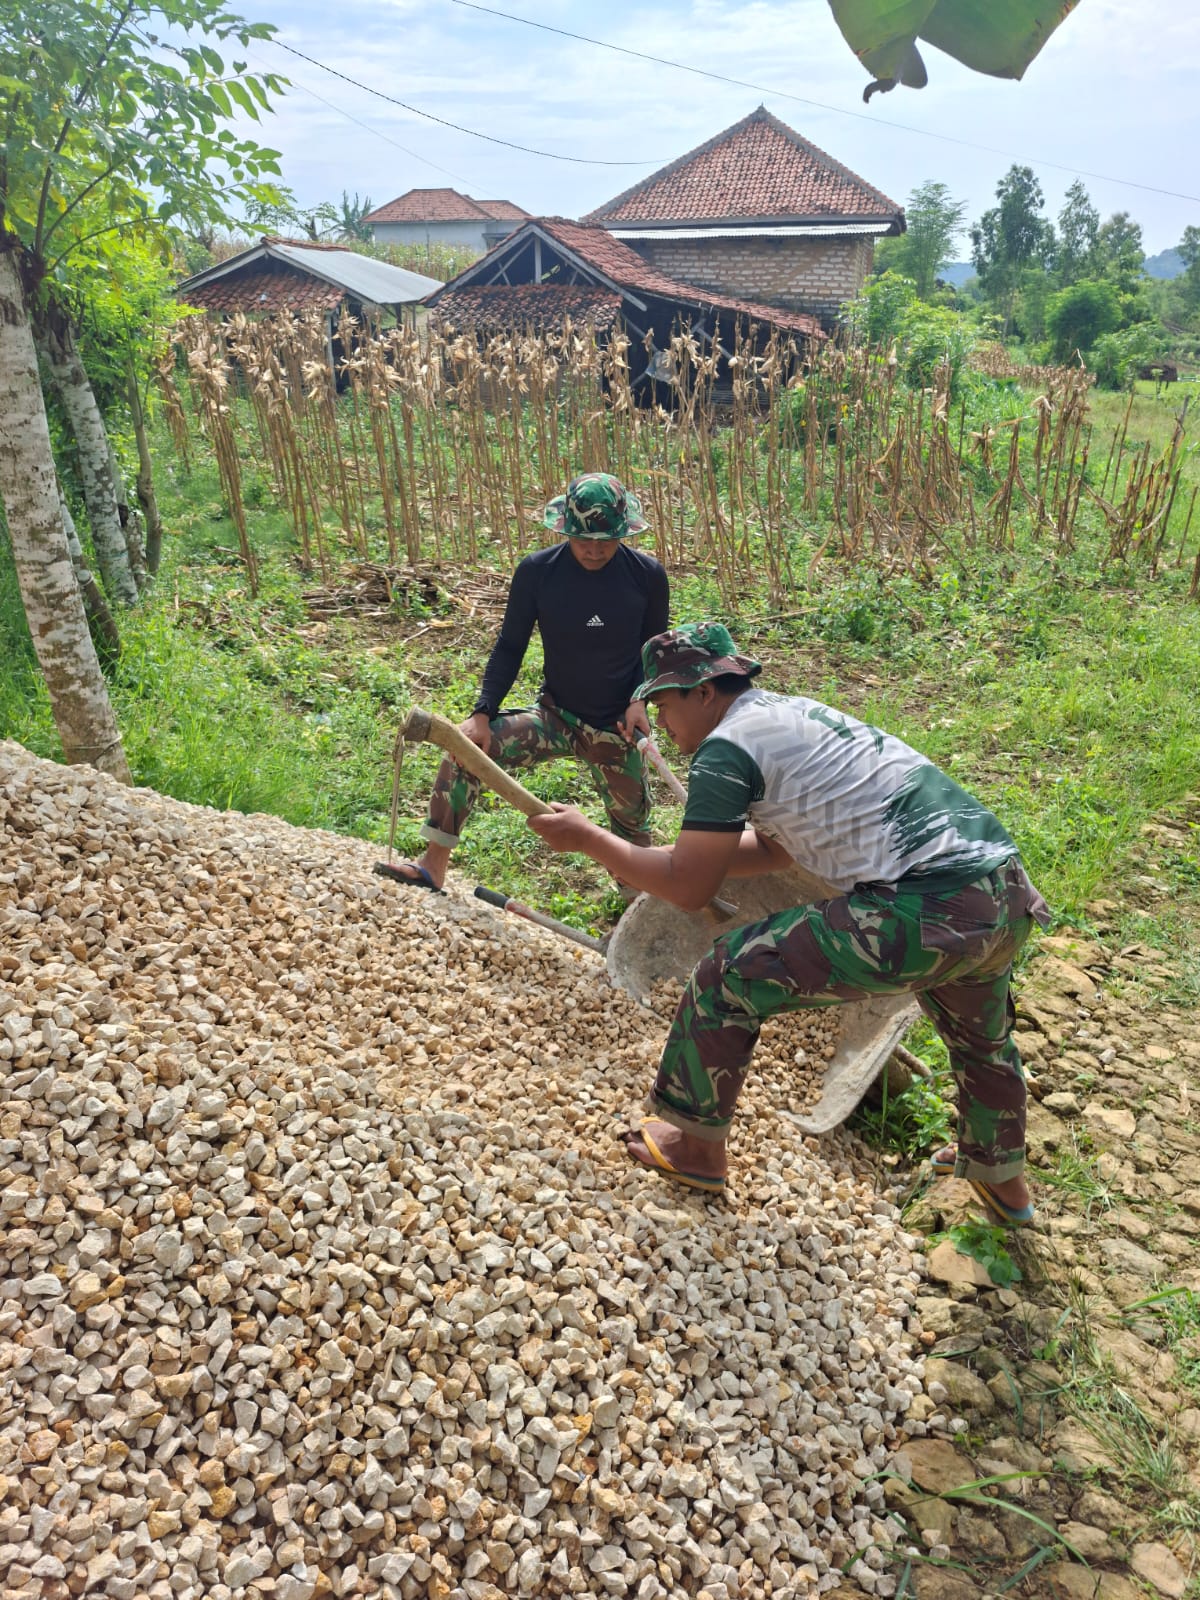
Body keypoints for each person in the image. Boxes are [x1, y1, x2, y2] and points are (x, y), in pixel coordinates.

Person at [529, 621, 1050, 1223]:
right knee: (980, 1041)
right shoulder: (787, 715)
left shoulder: (727, 748)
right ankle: (1002, 1183)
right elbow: (781, 849)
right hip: (1000, 893)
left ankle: (696, 1147)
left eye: (664, 706)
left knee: (728, 973)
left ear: (704, 691)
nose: (663, 728)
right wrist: (692, 856)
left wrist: (591, 839)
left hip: (929, 903)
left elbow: (690, 886)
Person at [389, 472, 669, 892]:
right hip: (554, 717)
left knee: (632, 828)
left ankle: (637, 915)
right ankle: (433, 865)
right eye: (583, 540)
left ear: (623, 532)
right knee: (466, 752)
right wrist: (482, 712)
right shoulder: (538, 572)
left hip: (616, 726)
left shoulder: (647, 576)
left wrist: (639, 700)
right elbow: (510, 646)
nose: (594, 550)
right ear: (565, 531)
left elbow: (654, 650)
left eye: (606, 541)